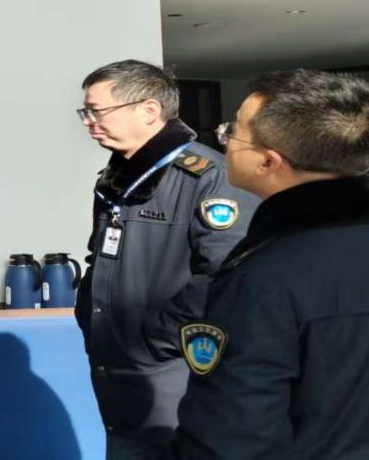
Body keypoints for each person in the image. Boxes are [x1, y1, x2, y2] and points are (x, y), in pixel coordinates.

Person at [174, 70, 369, 459]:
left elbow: (230, 438)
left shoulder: (262, 281)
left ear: (269, 161)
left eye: (232, 132)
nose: (223, 142)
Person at [74, 60, 256, 459]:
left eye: (97, 111)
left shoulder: (208, 176)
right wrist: (89, 315)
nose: (89, 123)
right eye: (85, 113)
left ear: (149, 110)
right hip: (120, 377)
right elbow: (100, 257)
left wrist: (155, 340)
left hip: (175, 378)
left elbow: (228, 275)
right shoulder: (116, 179)